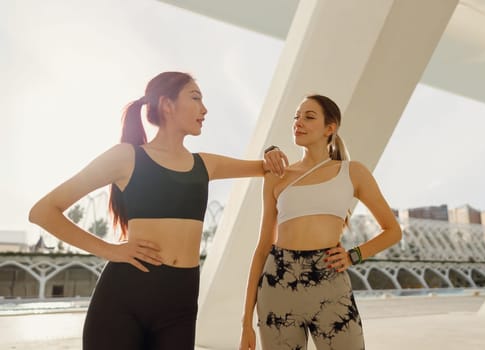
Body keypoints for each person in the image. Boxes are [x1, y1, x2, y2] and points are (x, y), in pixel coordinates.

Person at [28, 71, 288, 350]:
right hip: (124, 298)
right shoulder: (126, 157)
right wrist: (110, 250)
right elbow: (43, 211)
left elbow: (266, 166)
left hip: (180, 302)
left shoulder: (205, 165)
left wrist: (272, 150)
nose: (205, 108)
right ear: (167, 104)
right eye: (195, 97)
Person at [239, 94, 402, 350]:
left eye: (309, 116)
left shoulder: (352, 172)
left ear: (330, 128)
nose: (298, 122)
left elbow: (392, 230)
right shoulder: (277, 176)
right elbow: (262, 249)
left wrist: (353, 256)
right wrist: (246, 321)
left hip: (330, 284)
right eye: (296, 117)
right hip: (277, 285)